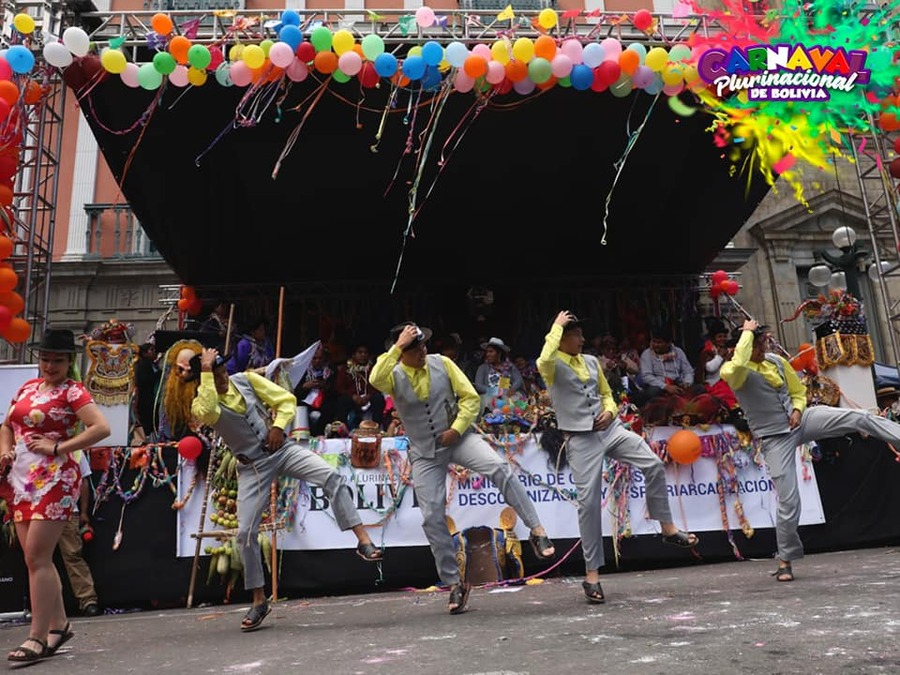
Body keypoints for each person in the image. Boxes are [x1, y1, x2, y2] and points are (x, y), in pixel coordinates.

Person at [184, 346, 382, 632]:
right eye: (216, 376)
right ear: (205, 380)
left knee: (330, 476)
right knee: (245, 534)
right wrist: (205, 375)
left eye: (223, 371)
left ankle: (362, 540)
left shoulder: (246, 380)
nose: (224, 378)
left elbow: (286, 400)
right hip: (252, 466)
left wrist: (278, 426)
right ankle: (258, 599)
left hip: (282, 450)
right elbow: (209, 411)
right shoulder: (201, 402)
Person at [369, 322, 555, 615]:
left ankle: (537, 529)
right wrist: (396, 346)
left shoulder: (442, 363)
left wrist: (456, 429)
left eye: (422, 345)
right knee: (431, 516)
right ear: (401, 352)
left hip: (458, 438)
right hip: (425, 452)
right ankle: (454, 582)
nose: (422, 351)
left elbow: (470, 398)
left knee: (499, 467)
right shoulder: (391, 374)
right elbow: (374, 378)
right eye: (414, 348)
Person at [536, 311, 699, 605]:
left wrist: (610, 411)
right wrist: (555, 327)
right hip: (580, 438)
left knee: (652, 463)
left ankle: (667, 528)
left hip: (609, 430)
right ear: (563, 338)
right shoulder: (553, 364)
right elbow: (542, 360)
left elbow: (607, 394)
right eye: (576, 335)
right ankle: (592, 576)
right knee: (588, 505)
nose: (583, 340)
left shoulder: (590, 361)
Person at [720, 319, 900, 583]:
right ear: (744, 346)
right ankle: (785, 559)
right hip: (774, 438)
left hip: (800, 422)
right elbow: (737, 364)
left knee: (859, 417)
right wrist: (746, 332)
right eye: (756, 344)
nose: (762, 347)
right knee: (790, 501)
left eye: (762, 342)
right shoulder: (734, 370)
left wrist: (796, 409)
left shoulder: (776, 362)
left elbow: (797, 391)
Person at [0, 329, 111, 663]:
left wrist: (59, 446)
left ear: (69, 361)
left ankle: (37, 636)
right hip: (20, 479)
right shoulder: (27, 388)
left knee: (37, 557)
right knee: (33, 558)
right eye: (45, 358)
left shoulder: (74, 392)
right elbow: (7, 425)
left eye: (57, 360)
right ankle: (58, 624)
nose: (50, 365)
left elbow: (101, 428)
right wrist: (5, 451)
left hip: (55, 481)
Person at [57, 454, 100, 618]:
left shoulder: (75, 450)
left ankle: (88, 601)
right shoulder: (33, 445)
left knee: (73, 555)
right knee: (39, 561)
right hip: (39, 513)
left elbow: (84, 482)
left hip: (68, 510)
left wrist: (83, 512)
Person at [637, 326, 697, 403]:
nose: (655, 345)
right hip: (660, 386)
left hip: (678, 384)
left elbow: (688, 371)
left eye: (659, 342)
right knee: (652, 392)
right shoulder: (647, 354)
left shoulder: (678, 352)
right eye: (654, 341)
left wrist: (687, 383)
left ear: (668, 343)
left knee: (699, 389)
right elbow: (646, 376)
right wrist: (666, 387)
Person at [334, 342, 385, 431]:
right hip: (352, 399)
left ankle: (377, 428)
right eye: (360, 352)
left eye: (365, 353)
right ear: (354, 355)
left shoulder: (374, 369)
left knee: (378, 398)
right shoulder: (346, 369)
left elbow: (379, 385)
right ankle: (342, 429)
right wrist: (353, 396)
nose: (363, 355)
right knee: (342, 400)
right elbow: (339, 387)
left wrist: (368, 396)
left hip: (369, 398)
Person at [295, 345, 341, 437]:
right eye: (314, 358)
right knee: (300, 408)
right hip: (306, 400)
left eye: (320, 358)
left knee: (331, 407)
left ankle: (323, 435)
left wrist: (326, 386)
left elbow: (336, 389)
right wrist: (305, 386)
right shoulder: (302, 371)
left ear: (324, 359)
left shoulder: (331, 370)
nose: (317, 361)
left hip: (325, 399)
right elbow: (295, 391)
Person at [474, 337, 524, 406]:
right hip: (489, 398)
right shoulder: (483, 368)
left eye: (491, 351)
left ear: (499, 353)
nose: (487, 354)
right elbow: (478, 386)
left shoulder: (508, 366)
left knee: (520, 404)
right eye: (487, 352)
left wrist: (512, 389)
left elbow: (518, 380)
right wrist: (497, 391)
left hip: (507, 396)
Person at [133, 342, 161, 440]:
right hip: (145, 399)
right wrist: (158, 375)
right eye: (151, 350)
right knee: (148, 421)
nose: (155, 353)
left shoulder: (153, 364)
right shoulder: (142, 365)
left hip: (154, 398)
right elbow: (144, 380)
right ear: (145, 353)